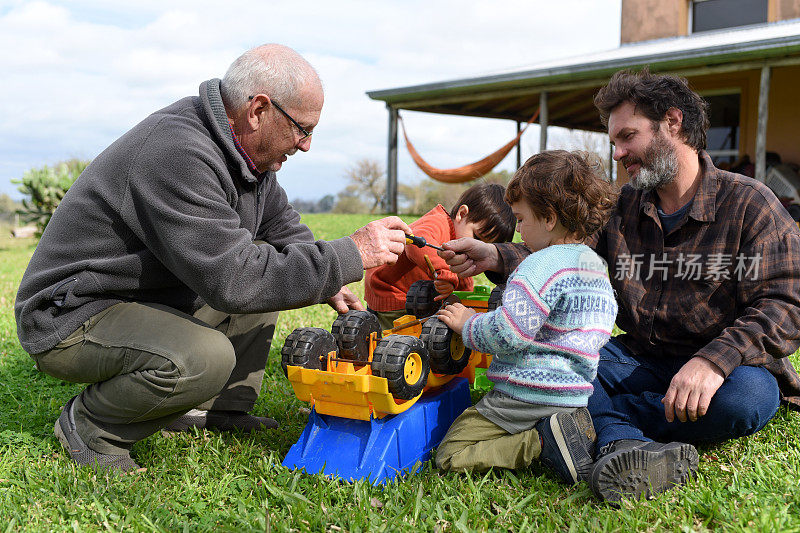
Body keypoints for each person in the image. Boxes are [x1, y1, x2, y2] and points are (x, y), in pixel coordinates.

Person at [14, 44, 412, 473]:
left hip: (139, 296)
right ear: (258, 109)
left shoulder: (245, 155)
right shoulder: (177, 152)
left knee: (270, 265)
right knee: (208, 354)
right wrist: (352, 252)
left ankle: (212, 409)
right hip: (73, 313)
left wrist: (329, 279)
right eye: (302, 129)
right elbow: (234, 281)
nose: (307, 145)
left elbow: (279, 228)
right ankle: (92, 425)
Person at [439, 69, 800, 502]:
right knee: (561, 368)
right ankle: (622, 443)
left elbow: (785, 304)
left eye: (627, 137)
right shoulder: (623, 204)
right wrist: (495, 255)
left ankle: (596, 430)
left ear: (672, 122)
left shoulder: (751, 204)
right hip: (635, 357)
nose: (618, 153)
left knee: (747, 400)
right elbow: (566, 256)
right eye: (613, 142)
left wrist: (712, 362)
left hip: (726, 367)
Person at [434, 150, 618, 485]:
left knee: (450, 452)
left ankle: (541, 442)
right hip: (573, 394)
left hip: (525, 394)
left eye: (520, 220)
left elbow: (509, 332)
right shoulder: (594, 265)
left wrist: (468, 325)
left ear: (549, 218)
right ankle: (560, 430)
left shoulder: (538, 265)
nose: (517, 231)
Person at [365, 183, 515, 330]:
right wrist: (444, 272)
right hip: (392, 292)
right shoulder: (437, 222)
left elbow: (462, 280)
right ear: (462, 214)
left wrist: (465, 303)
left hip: (420, 298)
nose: (477, 247)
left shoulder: (463, 248)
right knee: (405, 338)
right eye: (476, 236)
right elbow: (415, 244)